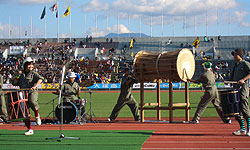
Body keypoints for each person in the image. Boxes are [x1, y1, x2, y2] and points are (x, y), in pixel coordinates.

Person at [12, 57, 44, 135]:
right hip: (22, 93)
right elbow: (15, 83)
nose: (31, 66)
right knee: (24, 112)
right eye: (29, 65)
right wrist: (17, 76)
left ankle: (37, 116)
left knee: (32, 102)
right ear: (25, 65)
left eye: (32, 65)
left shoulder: (33, 73)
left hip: (32, 91)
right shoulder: (21, 74)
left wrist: (35, 86)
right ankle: (29, 129)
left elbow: (40, 79)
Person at [230, 48, 250, 136]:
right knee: (237, 109)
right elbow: (232, 78)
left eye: (235, 54)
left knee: (244, 107)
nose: (234, 56)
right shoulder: (235, 65)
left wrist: (243, 79)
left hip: (243, 88)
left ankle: (249, 128)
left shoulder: (245, 64)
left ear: (240, 55)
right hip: (235, 89)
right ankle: (242, 128)